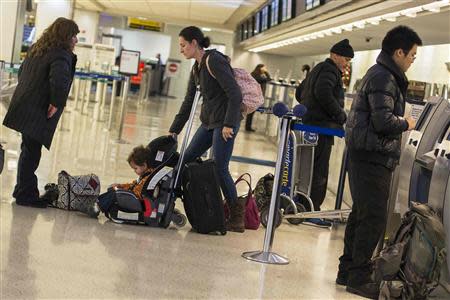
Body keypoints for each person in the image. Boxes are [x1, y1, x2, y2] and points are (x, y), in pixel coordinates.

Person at [337, 26, 421, 299]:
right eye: (411, 56)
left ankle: (347, 270)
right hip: (372, 156)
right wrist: (407, 122)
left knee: (361, 214)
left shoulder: (381, 74)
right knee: (372, 217)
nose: (412, 60)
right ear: (398, 52)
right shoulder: (385, 77)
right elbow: (383, 122)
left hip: (365, 154)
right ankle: (359, 277)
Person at [169, 26, 244, 232]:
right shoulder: (196, 68)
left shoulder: (214, 61)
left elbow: (235, 94)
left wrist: (229, 124)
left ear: (194, 43)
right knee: (186, 158)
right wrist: (174, 130)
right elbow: (188, 101)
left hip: (225, 122)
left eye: (183, 45)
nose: (181, 50)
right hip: (210, 121)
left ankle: (237, 215)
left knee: (220, 166)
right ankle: (170, 202)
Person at [3, 17, 79, 208]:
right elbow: (59, 80)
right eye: (74, 35)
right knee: (31, 152)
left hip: (24, 104)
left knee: (28, 149)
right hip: (38, 108)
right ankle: (25, 194)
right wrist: (56, 101)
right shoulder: (61, 54)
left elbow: (22, 73)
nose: (76, 40)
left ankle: (23, 189)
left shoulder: (38, 48)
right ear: (65, 36)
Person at [295, 39, 354, 228]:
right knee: (319, 171)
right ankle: (313, 211)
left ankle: (303, 206)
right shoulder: (330, 71)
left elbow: (299, 91)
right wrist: (339, 114)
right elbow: (323, 92)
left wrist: (307, 106)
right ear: (334, 55)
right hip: (322, 128)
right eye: (345, 59)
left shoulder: (318, 69)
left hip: (309, 125)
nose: (346, 63)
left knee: (307, 169)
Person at [246, 64, 271, 132]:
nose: (265, 69)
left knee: (252, 112)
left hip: (257, 95)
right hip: (253, 95)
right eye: (264, 67)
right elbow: (266, 79)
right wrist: (266, 72)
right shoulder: (254, 74)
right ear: (260, 68)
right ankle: (248, 127)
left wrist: (265, 72)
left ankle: (248, 126)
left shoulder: (260, 75)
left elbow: (268, 79)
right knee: (251, 112)